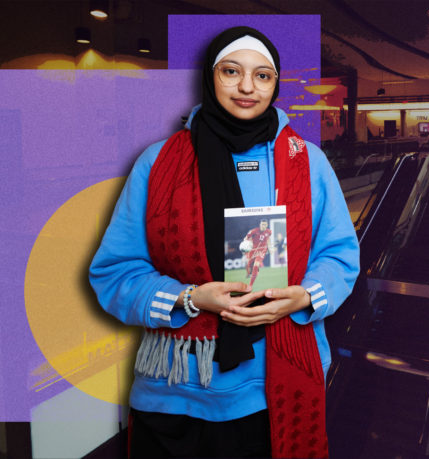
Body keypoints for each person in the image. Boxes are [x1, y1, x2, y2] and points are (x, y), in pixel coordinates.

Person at [89, 26, 359, 458]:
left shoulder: (308, 161)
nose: (248, 87)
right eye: (231, 71)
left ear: (276, 84)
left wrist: (303, 296)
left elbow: (339, 255)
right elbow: (114, 272)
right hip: (177, 389)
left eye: (263, 75)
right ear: (210, 77)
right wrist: (190, 298)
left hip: (275, 386)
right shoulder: (157, 163)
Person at [243, 219, 273, 287]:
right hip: (253, 250)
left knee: (256, 265)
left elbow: (268, 239)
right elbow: (246, 238)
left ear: (267, 225)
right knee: (249, 264)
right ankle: (249, 273)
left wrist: (270, 248)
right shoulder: (254, 231)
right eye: (262, 224)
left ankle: (250, 285)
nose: (263, 226)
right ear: (260, 225)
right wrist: (247, 244)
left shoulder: (269, 231)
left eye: (265, 224)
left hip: (262, 250)